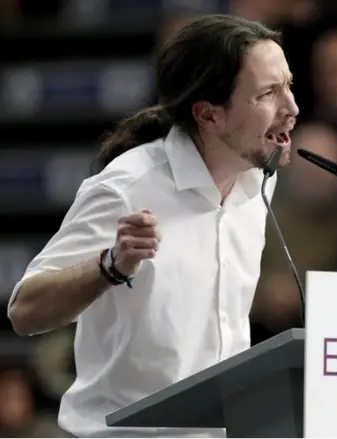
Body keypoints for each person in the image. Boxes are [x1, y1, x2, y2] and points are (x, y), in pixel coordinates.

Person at [7, 14, 298, 438]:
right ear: (208, 114)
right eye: (268, 94)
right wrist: (111, 265)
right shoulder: (126, 188)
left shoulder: (257, 183)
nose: (292, 109)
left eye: (289, 85)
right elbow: (24, 311)